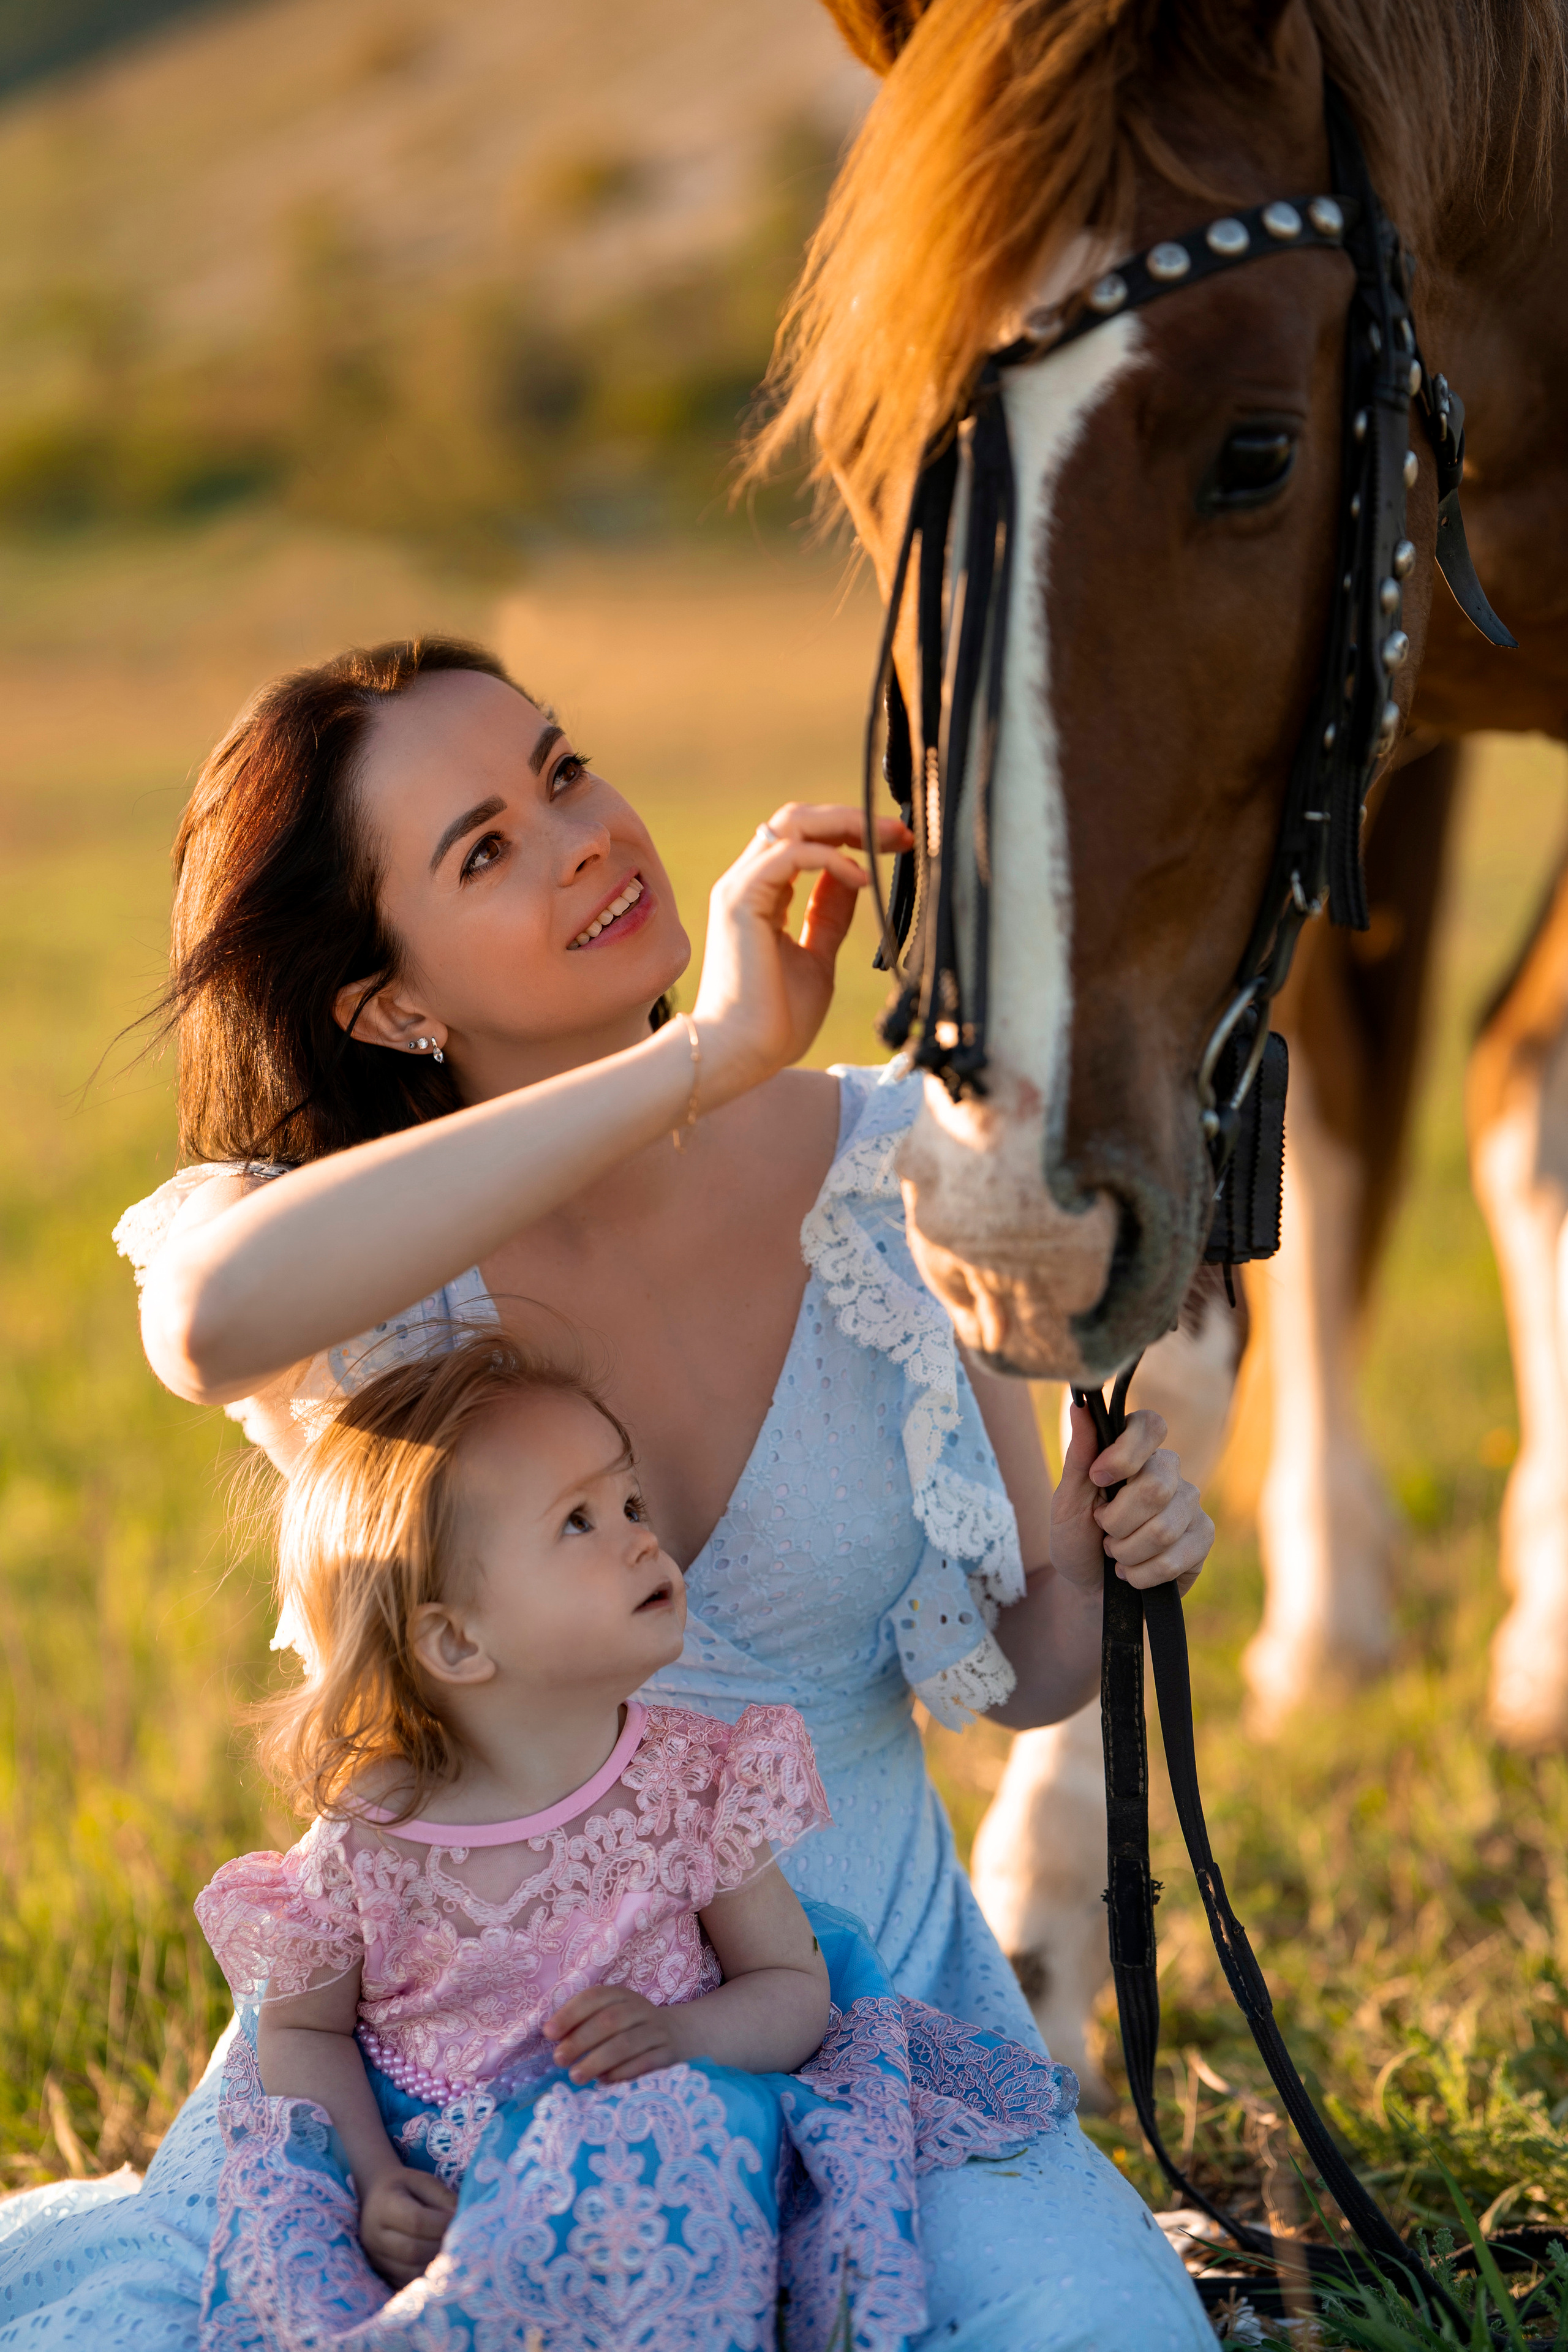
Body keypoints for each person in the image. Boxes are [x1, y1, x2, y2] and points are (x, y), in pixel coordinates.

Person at [0, 638, 1215, 2349]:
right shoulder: (335, 1251)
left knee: (1101, 2338)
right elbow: (205, 1327)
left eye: (562, 771)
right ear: (388, 1003)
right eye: (483, 849)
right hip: (454, 2061)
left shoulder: (887, 1161)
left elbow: (1025, 1673)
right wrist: (700, 1059)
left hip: (853, 2021)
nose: (582, 837)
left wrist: (1099, 1558)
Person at [194, 1329, 1075, 2349]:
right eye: (578, 1521)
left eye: (629, 1504)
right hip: (442, 2184)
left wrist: (685, 2038)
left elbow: (795, 1989)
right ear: (452, 1640)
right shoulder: (369, 1834)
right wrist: (372, 2173)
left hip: (656, 2160)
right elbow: (300, 2032)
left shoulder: (691, 1785)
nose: (640, 1538)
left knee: (684, 2156)